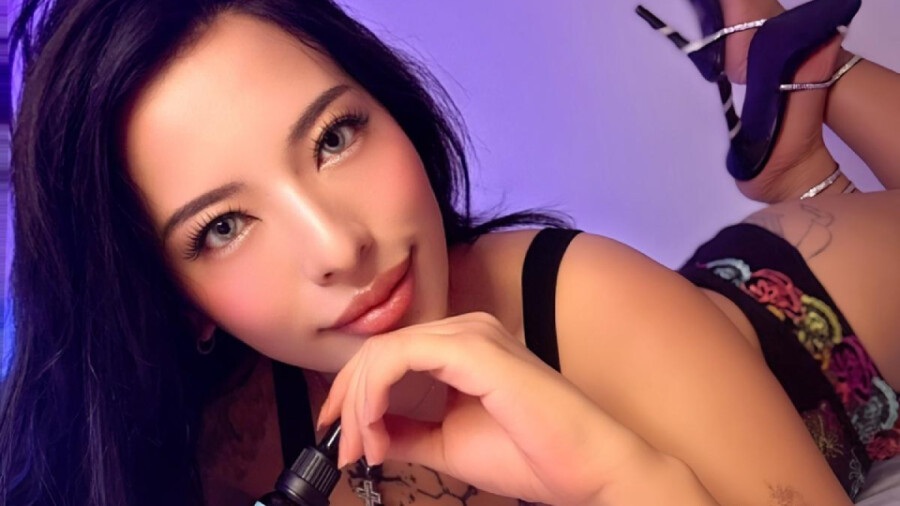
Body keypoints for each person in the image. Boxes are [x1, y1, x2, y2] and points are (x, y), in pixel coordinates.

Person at [0, 0, 897, 505]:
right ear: (178, 301)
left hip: (818, 324)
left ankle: (795, 67)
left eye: (334, 137)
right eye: (224, 227)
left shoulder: (586, 297)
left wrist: (624, 481)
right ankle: (792, 158)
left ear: (392, 107)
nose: (339, 246)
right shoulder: (220, 449)